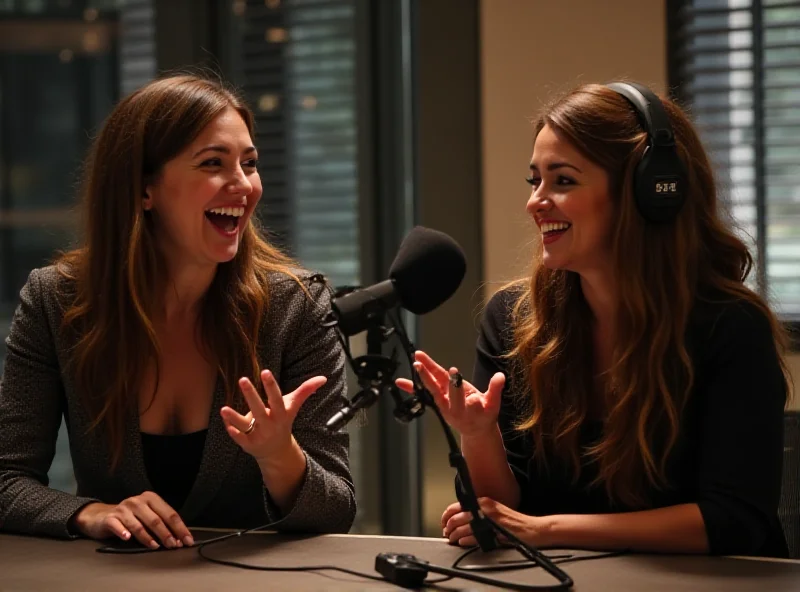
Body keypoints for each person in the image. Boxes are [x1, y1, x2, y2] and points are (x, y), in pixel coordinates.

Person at [398, 82, 791, 557]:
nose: (535, 202)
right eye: (534, 180)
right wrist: (479, 436)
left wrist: (549, 530)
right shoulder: (514, 320)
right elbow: (506, 513)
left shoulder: (730, 328)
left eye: (562, 181)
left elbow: (734, 519)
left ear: (648, 192)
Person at [0, 74, 356, 549]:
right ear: (145, 189)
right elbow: (6, 481)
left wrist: (279, 456)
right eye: (213, 163)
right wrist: (90, 513)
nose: (244, 185)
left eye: (249, 164)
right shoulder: (56, 302)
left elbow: (337, 511)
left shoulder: (297, 306)